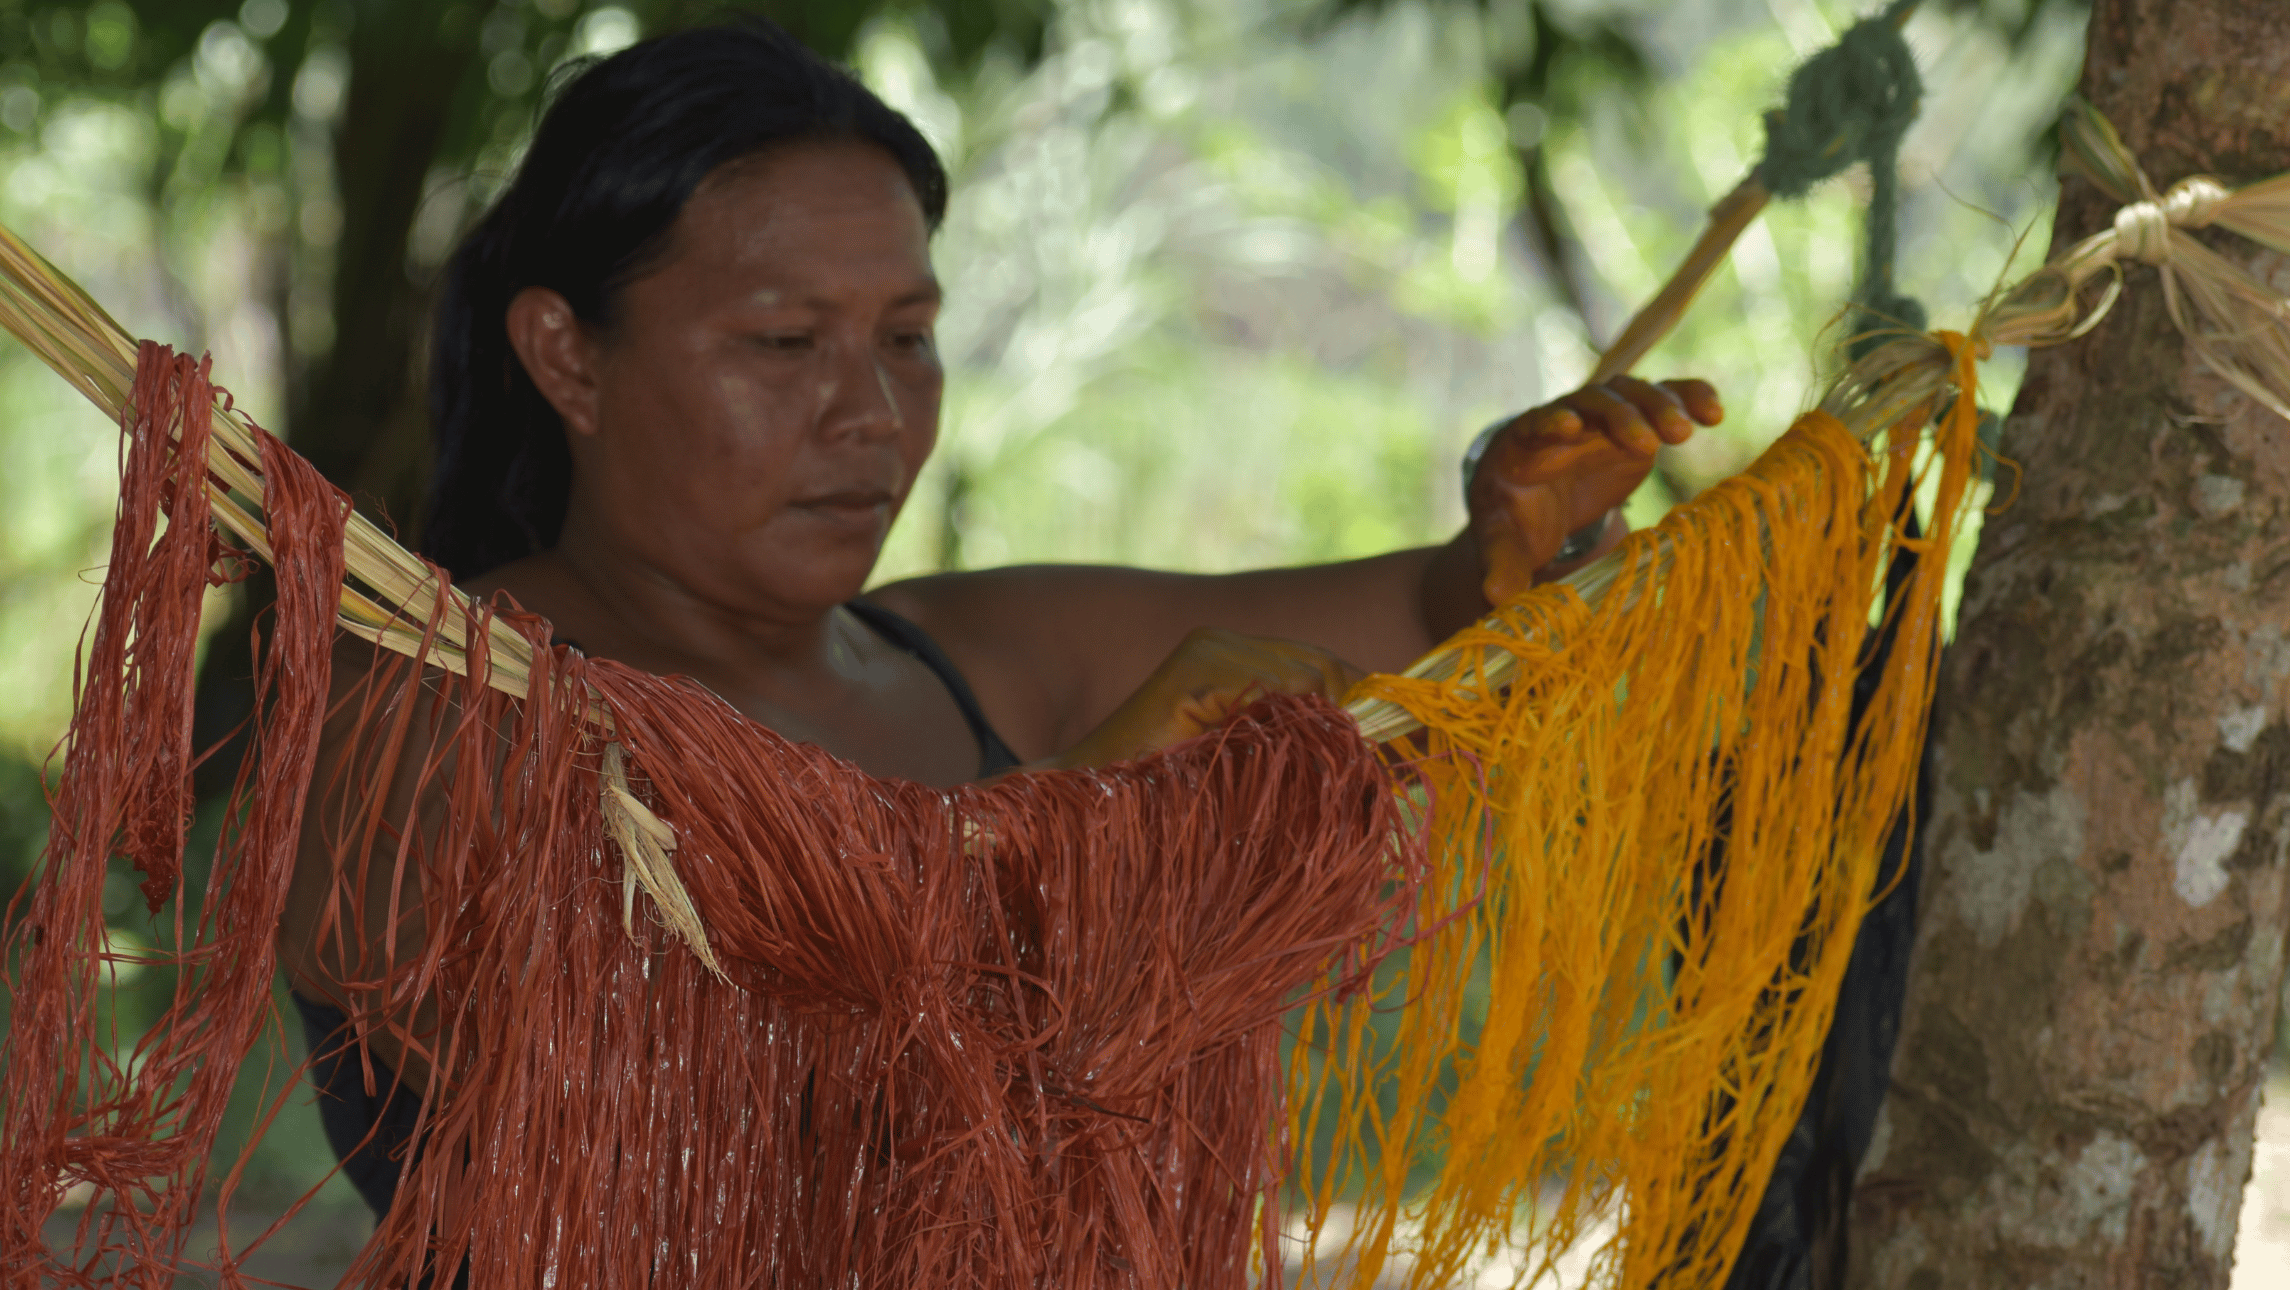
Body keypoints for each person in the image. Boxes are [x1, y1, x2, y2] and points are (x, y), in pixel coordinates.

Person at [280, 17, 1721, 1220]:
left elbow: (1423, 625)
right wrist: (1094, 816)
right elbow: (729, 1155)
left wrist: (1511, 538)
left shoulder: (965, 656)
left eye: (908, 338)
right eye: (785, 343)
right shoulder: (444, 712)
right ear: (565, 357)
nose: (870, 413)